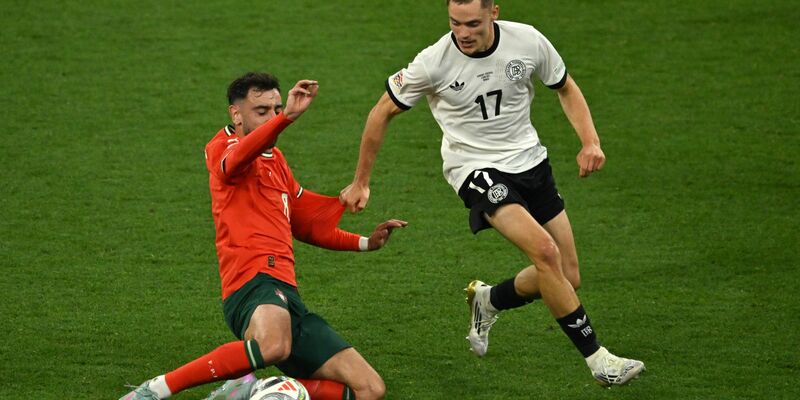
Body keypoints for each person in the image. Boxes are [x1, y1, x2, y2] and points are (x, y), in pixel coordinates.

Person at [340, 0, 644, 386]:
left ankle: (489, 300)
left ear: (493, 13)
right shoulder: (434, 61)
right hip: (475, 169)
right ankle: (599, 361)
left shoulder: (527, 40)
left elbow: (565, 87)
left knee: (567, 274)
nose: (462, 33)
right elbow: (381, 111)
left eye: (472, 23)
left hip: (530, 162)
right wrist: (361, 180)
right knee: (545, 252)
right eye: (454, 23)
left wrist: (590, 141)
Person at [120, 72, 406, 400]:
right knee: (273, 346)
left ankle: (258, 389)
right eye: (261, 111)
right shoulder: (221, 147)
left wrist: (367, 243)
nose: (270, 116)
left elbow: (306, 223)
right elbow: (235, 161)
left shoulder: (277, 161)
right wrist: (286, 119)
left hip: (285, 291)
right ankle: (154, 390)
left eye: (275, 109)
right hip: (251, 279)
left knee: (369, 389)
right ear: (235, 114)